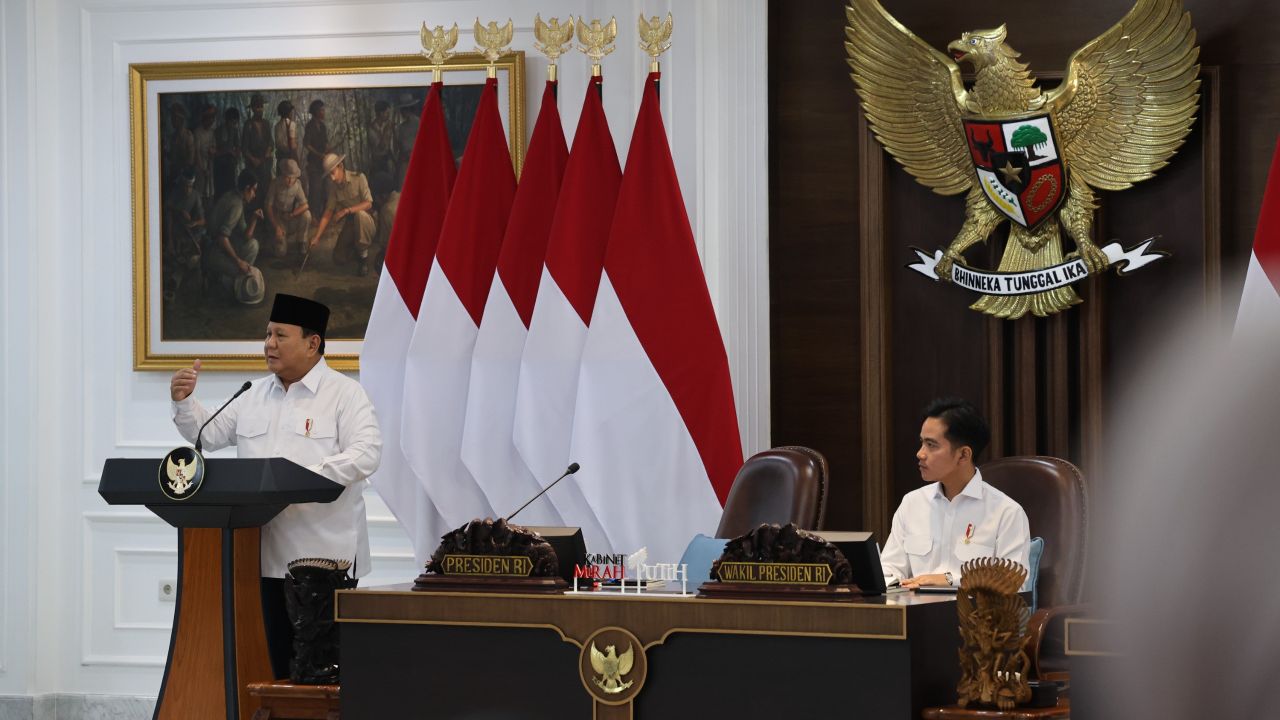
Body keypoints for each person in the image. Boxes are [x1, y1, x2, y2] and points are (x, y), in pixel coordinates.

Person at [168, 293, 380, 681]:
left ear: (312, 343)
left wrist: (299, 477)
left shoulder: (345, 394)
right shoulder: (254, 393)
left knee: (320, 673)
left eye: (280, 335)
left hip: (322, 562)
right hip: (258, 558)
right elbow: (209, 434)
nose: (269, 344)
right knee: (269, 664)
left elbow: (366, 454)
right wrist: (185, 403)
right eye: (267, 334)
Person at [879, 397, 1030, 589]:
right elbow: (889, 569)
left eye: (931, 445)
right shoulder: (912, 503)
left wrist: (952, 580)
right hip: (914, 614)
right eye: (922, 443)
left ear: (963, 455)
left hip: (975, 616)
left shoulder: (1006, 512)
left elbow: (1016, 584)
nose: (920, 453)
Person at [309, 153, 375, 276]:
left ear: (341, 166)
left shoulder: (359, 178)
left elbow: (369, 203)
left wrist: (346, 210)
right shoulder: (334, 188)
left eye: (333, 173)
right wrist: (317, 236)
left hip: (366, 219)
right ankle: (356, 249)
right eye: (329, 175)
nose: (332, 178)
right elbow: (328, 212)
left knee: (360, 215)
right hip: (351, 223)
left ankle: (364, 259)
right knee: (338, 258)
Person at [204, 169, 262, 291]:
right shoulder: (236, 205)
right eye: (254, 190)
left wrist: (254, 219)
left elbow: (246, 236)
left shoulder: (234, 196)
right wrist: (238, 261)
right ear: (247, 188)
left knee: (253, 244)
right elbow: (222, 237)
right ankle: (222, 279)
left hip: (220, 248)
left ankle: (226, 278)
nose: (254, 195)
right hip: (213, 252)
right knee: (244, 272)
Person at [265, 158, 311, 258]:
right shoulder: (275, 183)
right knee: (280, 253)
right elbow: (268, 206)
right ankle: (276, 242)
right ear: (283, 175)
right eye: (288, 177)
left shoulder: (297, 185)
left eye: (293, 177)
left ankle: (301, 243)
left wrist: (292, 214)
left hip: (291, 218)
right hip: (279, 219)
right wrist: (276, 226)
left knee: (307, 215)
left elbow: (305, 205)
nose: (290, 180)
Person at [242, 94, 274, 199]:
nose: (260, 109)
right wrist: (253, 159)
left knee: (266, 190)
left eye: (261, 106)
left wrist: (269, 149)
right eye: (257, 107)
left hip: (265, 163)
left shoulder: (266, 123)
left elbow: (271, 141)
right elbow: (244, 148)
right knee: (255, 191)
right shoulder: (248, 125)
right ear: (252, 109)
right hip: (253, 165)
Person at [303, 99, 330, 214]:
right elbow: (306, 144)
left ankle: (323, 214)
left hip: (323, 163)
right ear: (316, 112)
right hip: (314, 164)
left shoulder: (323, 127)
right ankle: (313, 215)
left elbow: (326, 143)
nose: (324, 112)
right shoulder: (309, 126)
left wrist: (328, 151)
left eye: (324, 110)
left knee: (324, 189)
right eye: (322, 110)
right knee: (315, 189)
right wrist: (319, 154)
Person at [212, 106, 243, 201]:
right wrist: (227, 151)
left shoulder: (234, 131)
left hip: (230, 166)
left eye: (236, 122)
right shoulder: (218, 131)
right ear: (227, 120)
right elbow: (214, 151)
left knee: (230, 190)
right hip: (219, 166)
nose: (234, 124)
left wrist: (236, 156)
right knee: (220, 191)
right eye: (232, 122)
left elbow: (238, 147)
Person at [394, 93, 420, 187]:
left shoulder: (419, 123)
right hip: (405, 162)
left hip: (417, 161)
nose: (402, 112)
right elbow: (400, 147)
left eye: (404, 110)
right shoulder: (401, 128)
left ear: (409, 109)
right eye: (402, 110)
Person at [368, 99, 396, 177]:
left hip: (387, 160)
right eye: (387, 113)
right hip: (378, 164)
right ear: (381, 113)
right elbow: (381, 146)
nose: (388, 115)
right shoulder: (371, 129)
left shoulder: (387, 125)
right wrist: (386, 131)